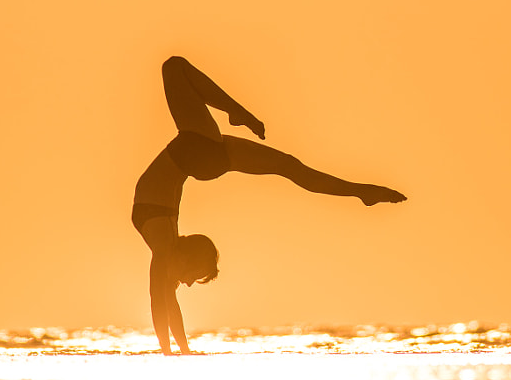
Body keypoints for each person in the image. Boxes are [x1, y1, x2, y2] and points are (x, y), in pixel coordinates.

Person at [132, 56, 406, 355]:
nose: (186, 284)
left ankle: (241, 114)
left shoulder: (161, 248)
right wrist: (180, 352)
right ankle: (359, 191)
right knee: (290, 167)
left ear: (187, 259)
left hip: (196, 149)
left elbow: (157, 302)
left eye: (192, 276)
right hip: (200, 152)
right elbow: (168, 304)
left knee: (174, 66)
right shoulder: (167, 245)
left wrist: (170, 354)